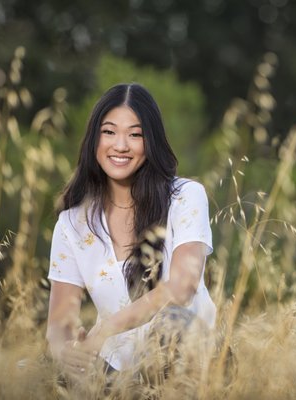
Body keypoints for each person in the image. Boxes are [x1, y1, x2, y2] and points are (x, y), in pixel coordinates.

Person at [45, 83, 215, 379]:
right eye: (109, 132)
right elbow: (58, 327)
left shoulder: (185, 197)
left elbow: (181, 289)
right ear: (93, 140)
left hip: (189, 367)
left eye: (135, 134)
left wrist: (105, 329)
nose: (120, 146)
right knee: (32, 371)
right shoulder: (72, 224)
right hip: (118, 377)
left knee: (172, 322)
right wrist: (67, 352)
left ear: (151, 143)